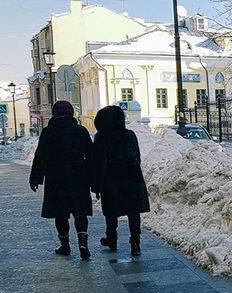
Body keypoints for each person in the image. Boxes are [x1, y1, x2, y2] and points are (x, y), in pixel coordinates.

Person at [29, 100, 93, 259]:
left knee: (60, 213)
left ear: (54, 114)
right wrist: (93, 180)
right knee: (80, 212)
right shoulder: (80, 131)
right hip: (78, 177)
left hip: (55, 178)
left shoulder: (48, 132)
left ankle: (65, 245)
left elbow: (40, 156)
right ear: (71, 113)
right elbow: (91, 156)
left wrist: (35, 178)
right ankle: (83, 242)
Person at [90, 105, 150, 256]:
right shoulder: (130, 135)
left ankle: (111, 238)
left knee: (111, 211)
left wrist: (97, 185)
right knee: (133, 211)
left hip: (112, 178)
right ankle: (135, 243)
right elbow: (137, 155)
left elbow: (97, 162)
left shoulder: (102, 137)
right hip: (132, 176)